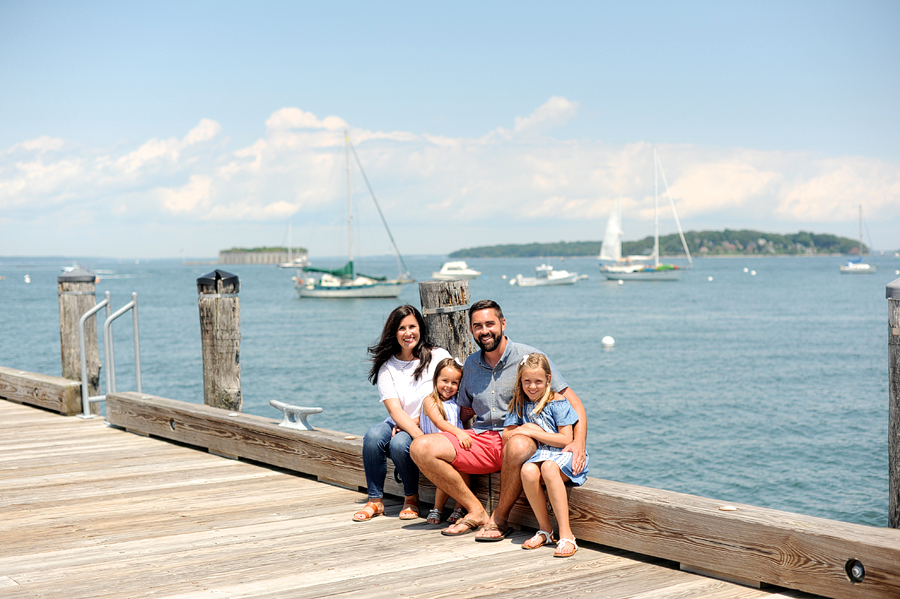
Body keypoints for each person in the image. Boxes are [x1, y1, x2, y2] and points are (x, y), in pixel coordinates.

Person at [410, 299, 587, 541]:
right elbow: (462, 412)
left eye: (490, 324)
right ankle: (476, 511)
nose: (484, 331)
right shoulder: (470, 364)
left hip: (519, 440)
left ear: (503, 323)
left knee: (518, 442)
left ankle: (499, 519)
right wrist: (421, 421)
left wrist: (578, 443)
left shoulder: (529, 358)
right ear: (471, 330)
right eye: (478, 326)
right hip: (481, 439)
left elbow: (573, 403)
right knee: (420, 447)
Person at [353, 305, 451, 522]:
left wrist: (418, 427)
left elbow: (453, 387)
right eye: (402, 328)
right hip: (400, 421)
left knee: (399, 444)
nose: (408, 333)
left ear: (420, 327)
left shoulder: (437, 356)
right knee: (373, 436)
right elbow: (395, 409)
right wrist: (413, 431)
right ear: (394, 332)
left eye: (412, 327)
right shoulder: (387, 366)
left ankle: (411, 498)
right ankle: (375, 500)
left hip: (427, 422)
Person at [504, 353, 588, 557]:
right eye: (527, 381)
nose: (532, 387)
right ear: (520, 380)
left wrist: (532, 431)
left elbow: (566, 439)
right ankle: (545, 530)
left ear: (549, 380)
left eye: (538, 381)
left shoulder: (557, 401)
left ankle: (567, 534)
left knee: (549, 468)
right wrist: (522, 430)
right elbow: (508, 433)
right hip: (541, 455)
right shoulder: (519, 402)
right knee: (528, 471)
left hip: (564, 455)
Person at [419, 357, 471, 524]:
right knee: (446, 471)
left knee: (464, 469)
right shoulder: (430, 400)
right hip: (436, 448)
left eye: (454, 383)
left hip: (455, 445)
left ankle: (459, 508)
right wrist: (460, 434)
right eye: (445, 381)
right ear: (436, 380)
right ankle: (437, 508)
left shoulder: (457, 401)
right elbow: (439, 422)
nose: (449, 386)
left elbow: (461, 419)